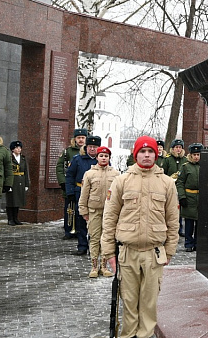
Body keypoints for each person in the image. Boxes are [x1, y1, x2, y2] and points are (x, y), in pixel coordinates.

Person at [101, 135, 179, 338]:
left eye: (150, 151)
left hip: (154, 253)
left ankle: (144, 336)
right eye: (142, 151)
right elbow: (109, 219)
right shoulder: (121, 181)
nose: (146, 155)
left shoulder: (167, 183)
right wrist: (109, 252)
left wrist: (169, 250)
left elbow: (173, 220)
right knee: (128, 300)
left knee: (149, 303)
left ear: (156, 154)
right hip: (128, 253)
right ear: (136, 154)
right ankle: (128, 335)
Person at [78, 146, 119, 277]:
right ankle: (94, 266)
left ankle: (104, 266)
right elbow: (84, 194)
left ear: (109, 158)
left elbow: (118, 195)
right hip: (94, 211)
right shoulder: (89, 174)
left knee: (107, 239)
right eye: (101, 156)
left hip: (110, 212)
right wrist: (83, 210)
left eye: (106, 156)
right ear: (97, 158)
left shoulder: (116, 174)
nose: (103, 158)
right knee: (95, 238)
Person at [65, 135, 101, 256]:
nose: (92, 149)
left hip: (97, 194)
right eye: (90, 146)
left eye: (95, 147)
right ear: (86, 147)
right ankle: (82, 246)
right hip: (80, 192)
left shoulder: (102, 160)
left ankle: (95, 246)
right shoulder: (77, 159)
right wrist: (70, 191)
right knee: (80, 220)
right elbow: (69, 175)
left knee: (96, 221)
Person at [56, 128, 87, 240]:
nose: (81, 140)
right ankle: (68, 230)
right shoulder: (68, 152)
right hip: (71, 186)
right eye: (79, 138)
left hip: (84, 186)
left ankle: (80, 230)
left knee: (81, 210)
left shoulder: (89, 151)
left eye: (83, 138)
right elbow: (60, 167)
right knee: (69, 209)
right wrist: (63, 182)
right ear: (75, 139)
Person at [176, 143, 202, 252]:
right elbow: (180, 182)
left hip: (200, 198)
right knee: (189, 223)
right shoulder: (186, 167)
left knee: (199, 224)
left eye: (198, 154)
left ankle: (197, 243)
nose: (196, 157)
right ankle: (188, 243)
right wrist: (182, 197)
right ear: (190, 155)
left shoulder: (204, 166)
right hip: (189, 197)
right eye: (194, 154)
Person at [166, 139, 188, 236]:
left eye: (180, 147)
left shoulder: (185, 160)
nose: (178, 149)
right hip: (170, 187)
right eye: (176, 147)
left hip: (181, 187)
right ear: (173, 148)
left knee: (180, 209)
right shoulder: (168, 159)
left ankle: (179, 228)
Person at [6, 141, 30, 226]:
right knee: (10, 201)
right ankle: (10, 219)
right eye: (17, 148)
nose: (19, 149)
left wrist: (27, 184)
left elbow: (26, 172)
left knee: (18, 201)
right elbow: (7, 171)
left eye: (20, 148)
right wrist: (7, 184)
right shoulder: (9, 158)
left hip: (21, 181)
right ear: (12, 149)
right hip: (12, 181)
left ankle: (16, 218)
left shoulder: (23, 158)